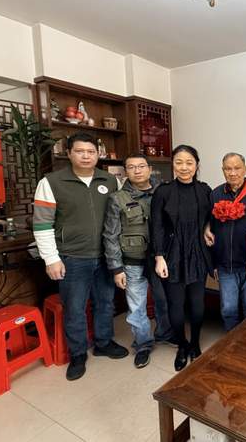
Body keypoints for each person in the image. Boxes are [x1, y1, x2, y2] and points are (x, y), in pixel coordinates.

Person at [33, 132, 128, 381]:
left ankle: (103, 343)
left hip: (106, 256)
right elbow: (42, 224)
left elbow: (120, 218)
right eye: (80, 151)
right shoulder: (51, 182)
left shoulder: (110, 180)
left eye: (91, 151)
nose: (86, 156)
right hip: (71, 258)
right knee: (75, 308)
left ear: (98, 154)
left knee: (105, 303)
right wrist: (51, 259)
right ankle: (77, 354)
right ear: (69, 153)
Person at [103, 153, 173, 369]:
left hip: (160, 260)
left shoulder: (163, 192)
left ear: (149, 169)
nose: (137, 170)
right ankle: (143, 345)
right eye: (131, 167)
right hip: (132, 261)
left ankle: (165, 334)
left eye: (141, 166)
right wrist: (116, 268)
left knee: (164, 300)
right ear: (125, 172)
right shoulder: (117, 198)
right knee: (137, 307)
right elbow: (110, 235)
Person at [151, 145, 213, 371]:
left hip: (197, 252)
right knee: (175, 306)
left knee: (197, 305)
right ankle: (182, 346)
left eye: (189, 162)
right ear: (173, 165)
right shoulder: (163, 192)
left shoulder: (205, 190)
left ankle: (195, 342)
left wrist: (207, 228)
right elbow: (156, 226)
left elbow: (211, 217)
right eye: (179, 162)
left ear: (197, 165)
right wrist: (159, 256)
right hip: (172, 254)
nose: (184, 167)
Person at [207, 152, 246, 331]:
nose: (232, 173)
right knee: (228, 309)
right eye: (228, 169)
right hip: (225, 265)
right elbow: (209, 229)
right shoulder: (216, 194)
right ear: (222, 170)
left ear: (245, 169)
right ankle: (231, 343)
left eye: (237, 168)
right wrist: (213, 264)